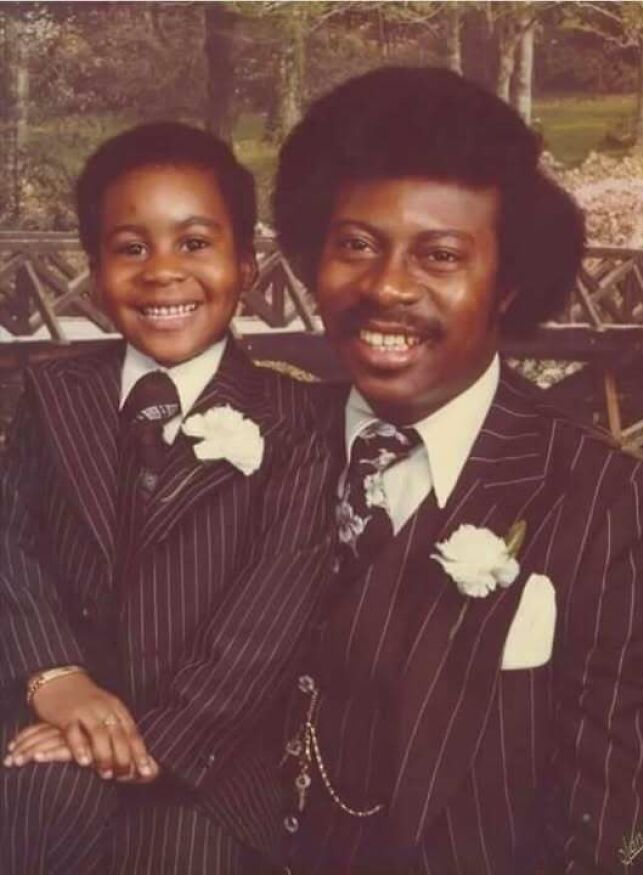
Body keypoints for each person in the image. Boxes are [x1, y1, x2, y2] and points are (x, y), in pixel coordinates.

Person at [269, 67, 643, 874]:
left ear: (507, 286)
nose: (388, 286)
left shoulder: (621, 505)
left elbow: (629, 828)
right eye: (356, 244)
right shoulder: (254, 444)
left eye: (440, 255)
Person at [0, 121, 335, 874]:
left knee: (178, 856)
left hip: (205, 758)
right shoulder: (55, 394)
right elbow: (9, 547)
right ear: (93, 268)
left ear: (246, 263)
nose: (161, 272)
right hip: (52, 717)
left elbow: (272, 611)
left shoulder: (294, 421)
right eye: (130, 248)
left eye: (194, 243)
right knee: (23, 811)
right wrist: (55, 677)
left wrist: (148, 739)